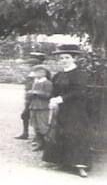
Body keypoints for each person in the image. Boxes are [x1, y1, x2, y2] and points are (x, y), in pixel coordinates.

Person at [42, 45, 93, 178]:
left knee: (76, 134)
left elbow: (79, 91)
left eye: (67, 57)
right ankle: (62, 162)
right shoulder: (58, 75)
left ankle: (80, 166)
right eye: (61, 58)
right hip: (61, 110)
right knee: (60, 132)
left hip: (76, 109)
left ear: (74, 58)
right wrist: (52, 99)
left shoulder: (80, 74)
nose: (64, 60)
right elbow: (54, 90)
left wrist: (61, 98)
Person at [17, 52, 46, 140]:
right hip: (29, 98)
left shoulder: (42, 73)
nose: (31, 65)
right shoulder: (32, 73)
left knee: (36, 117)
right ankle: (25, 133)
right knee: (25, 115)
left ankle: (38, 137)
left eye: (33, 63)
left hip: (36, 99)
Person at [27, 64, 53, 151]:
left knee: (43, 126)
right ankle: (40, 143)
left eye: (38, 72)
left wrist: (36, 92)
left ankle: (47, 144)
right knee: (36, 125)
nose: (35, 74)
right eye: (35, 72)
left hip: (43, 107)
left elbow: (49, 95)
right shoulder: (35, 82)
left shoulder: (47, 83)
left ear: (44, 73)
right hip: (34, 106)